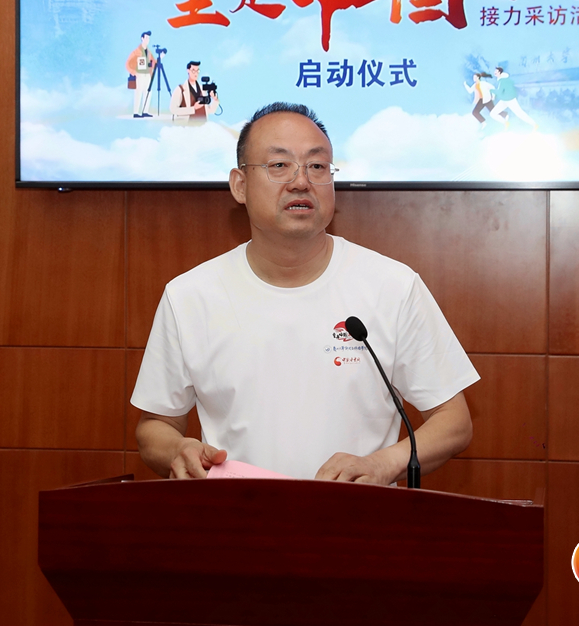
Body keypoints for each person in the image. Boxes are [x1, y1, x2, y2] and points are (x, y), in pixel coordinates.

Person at [131, 102, 478, 483]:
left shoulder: (392, 286)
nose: (301, 182)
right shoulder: (190, 295)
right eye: (279, 165)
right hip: (236, 515)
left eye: (317, 166)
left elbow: (454, 421)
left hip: (358, 517)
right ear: (240, 185)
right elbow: (155, 427)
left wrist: (383, 464)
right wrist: (177, 450)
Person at [126, 31, 155, 118]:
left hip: (147, 75)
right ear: (142, 38)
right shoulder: (136, 51)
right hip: (140, 75)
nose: (147, 40)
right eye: (146, 38)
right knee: (138, 92)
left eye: (148, 38)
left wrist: (160, 58)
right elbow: (128, 64)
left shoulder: (148, 52)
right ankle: (136, 112)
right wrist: (134, 72)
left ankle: (145, 111)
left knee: (148, 92)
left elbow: (153, 62)